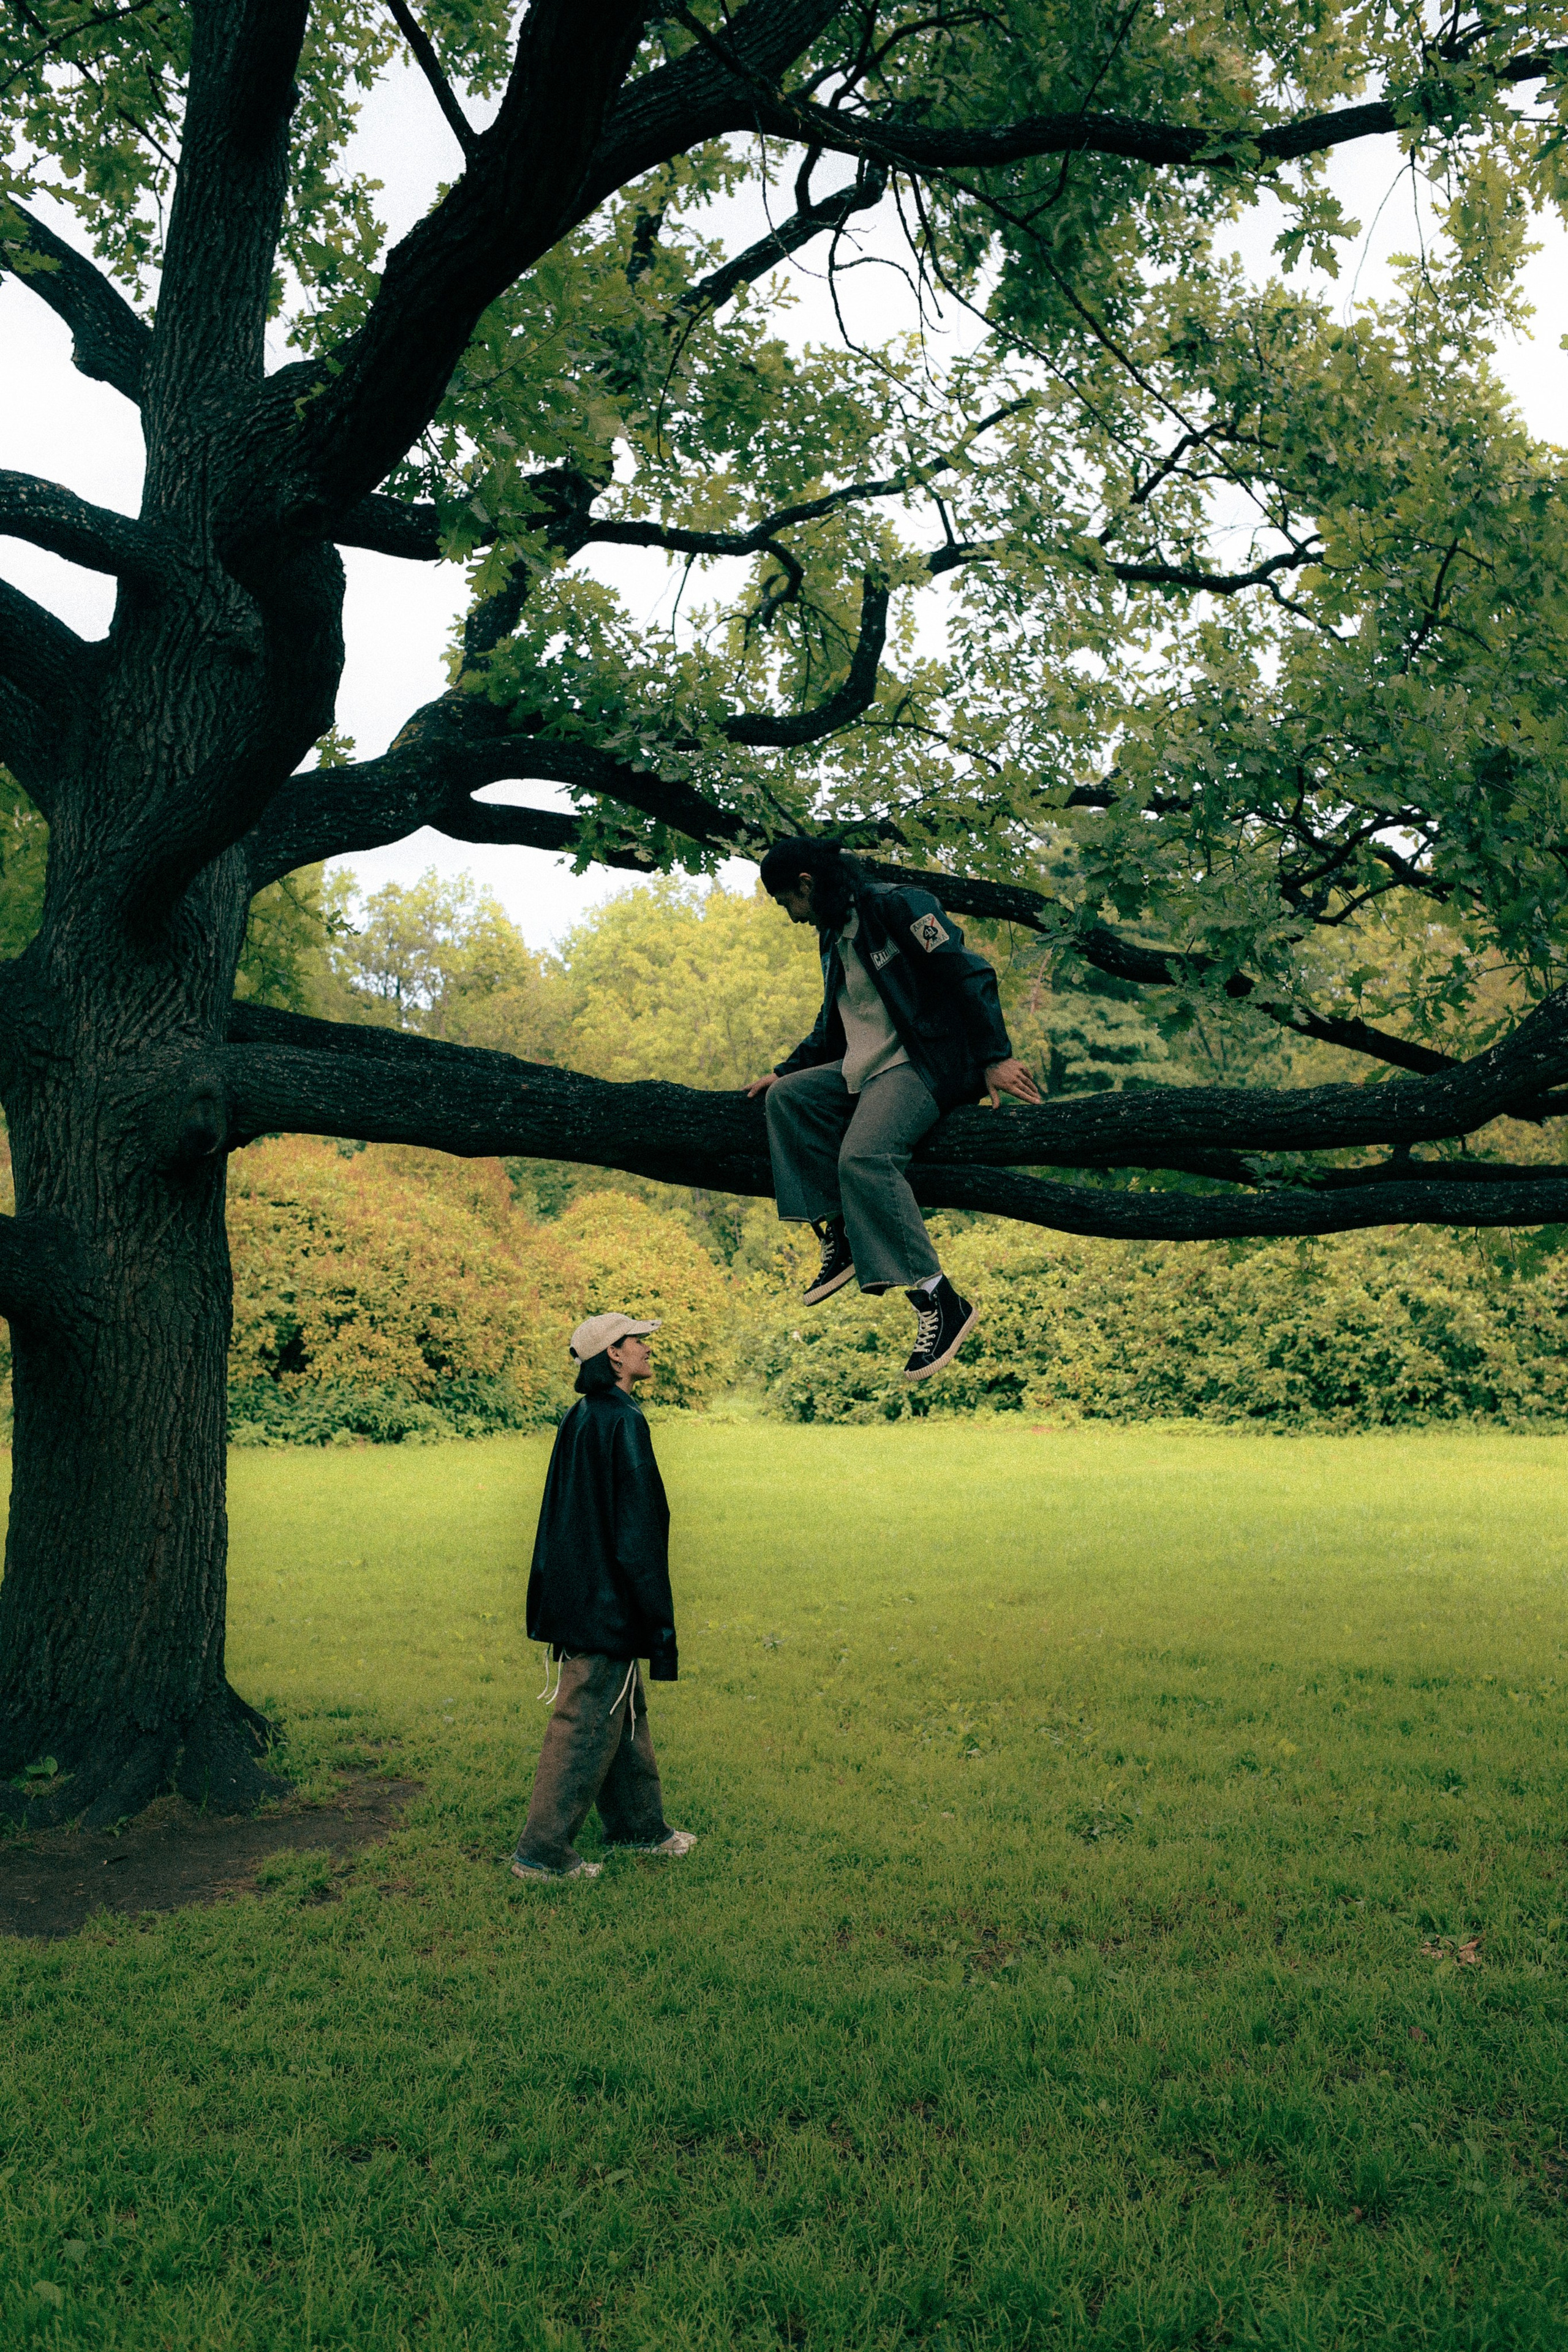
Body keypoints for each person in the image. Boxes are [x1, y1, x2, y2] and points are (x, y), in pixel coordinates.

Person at [746, 838, 1042, 1380]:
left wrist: (995, 1057)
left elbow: (969, 974)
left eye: (788, 901)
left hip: (925, 1063)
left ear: (808, 884)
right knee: (787, 1099)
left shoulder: (904, 906)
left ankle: (940, 1301)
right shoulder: (832, 935)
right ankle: (842, 1233)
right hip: (867, 1064)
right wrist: (788, 1071)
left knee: (864, 1158)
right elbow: (836, 1021)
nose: (790, 917)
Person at [511, 1310, 697, 1883]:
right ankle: (541, 1854)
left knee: (623, 1710)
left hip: (585, 1597)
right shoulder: (620, 1422)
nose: (647, 1348)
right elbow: (639, 1531)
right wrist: (653, 1622)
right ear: (614, 1355)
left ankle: (639, 1828)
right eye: (638, 1340)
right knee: (587, 1719)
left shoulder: (585, 1416)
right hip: (603, 1604)